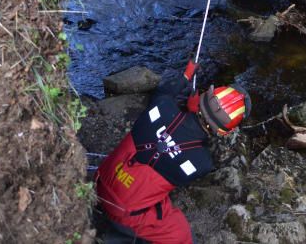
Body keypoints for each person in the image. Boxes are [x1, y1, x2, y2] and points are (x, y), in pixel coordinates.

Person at [95, 62, 251, 243]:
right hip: (124, 213)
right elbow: (179, 153)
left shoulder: (162, 106)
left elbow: (163, 92)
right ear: (224, 132)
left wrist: (185, 78)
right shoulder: (202, 163)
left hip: (101, 182)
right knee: (180, 232)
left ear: (201, 97)